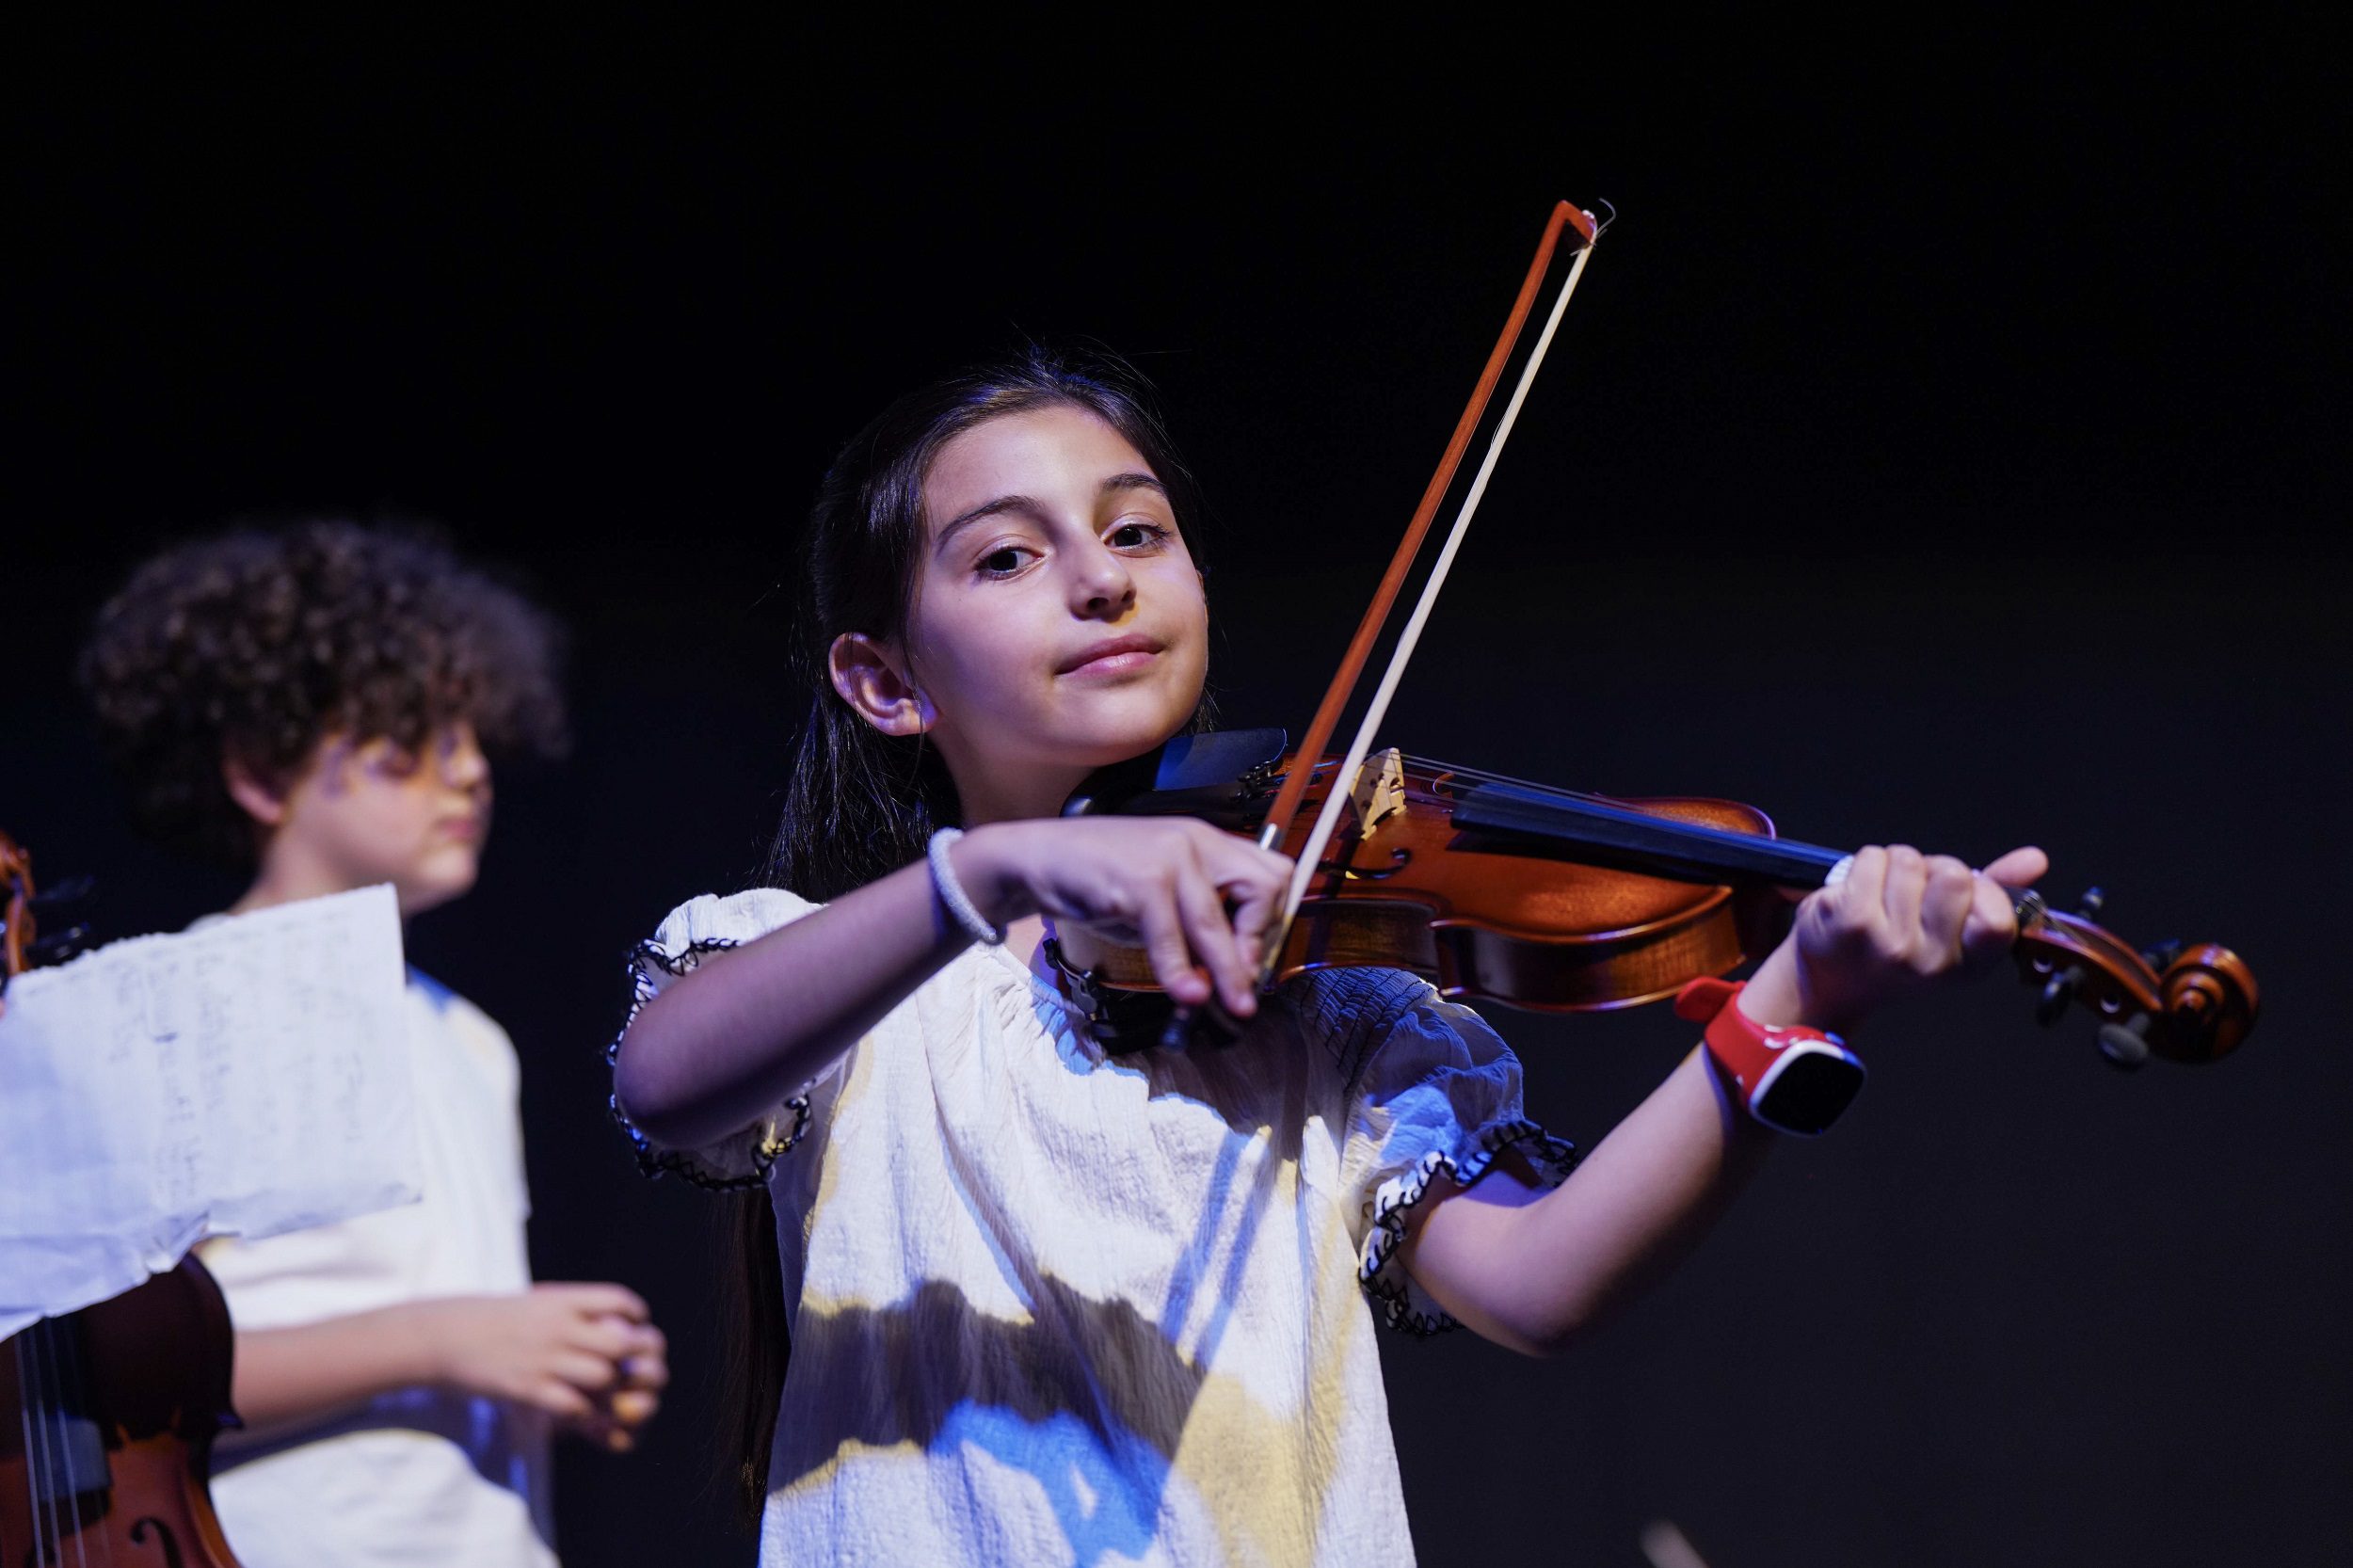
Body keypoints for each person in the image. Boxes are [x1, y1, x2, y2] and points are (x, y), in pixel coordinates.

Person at [608, 349, 2045, 1567]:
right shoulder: (846, 985)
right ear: (885, 680)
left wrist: (1796, 996)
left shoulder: (1327, 1006)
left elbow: (1545, 1280)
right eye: (1008, 554)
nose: (1099, 581)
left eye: (1136, 532)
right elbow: (669, 1080)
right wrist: (988, 874)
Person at [80, 521, 668, 1568]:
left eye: (474, 733)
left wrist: (557, 1368)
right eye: (411, 739)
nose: (472, 771)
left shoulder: (472, 1040)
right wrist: (452, 1340)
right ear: (264, 772)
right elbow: (95, 1384)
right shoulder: (176, 1008)